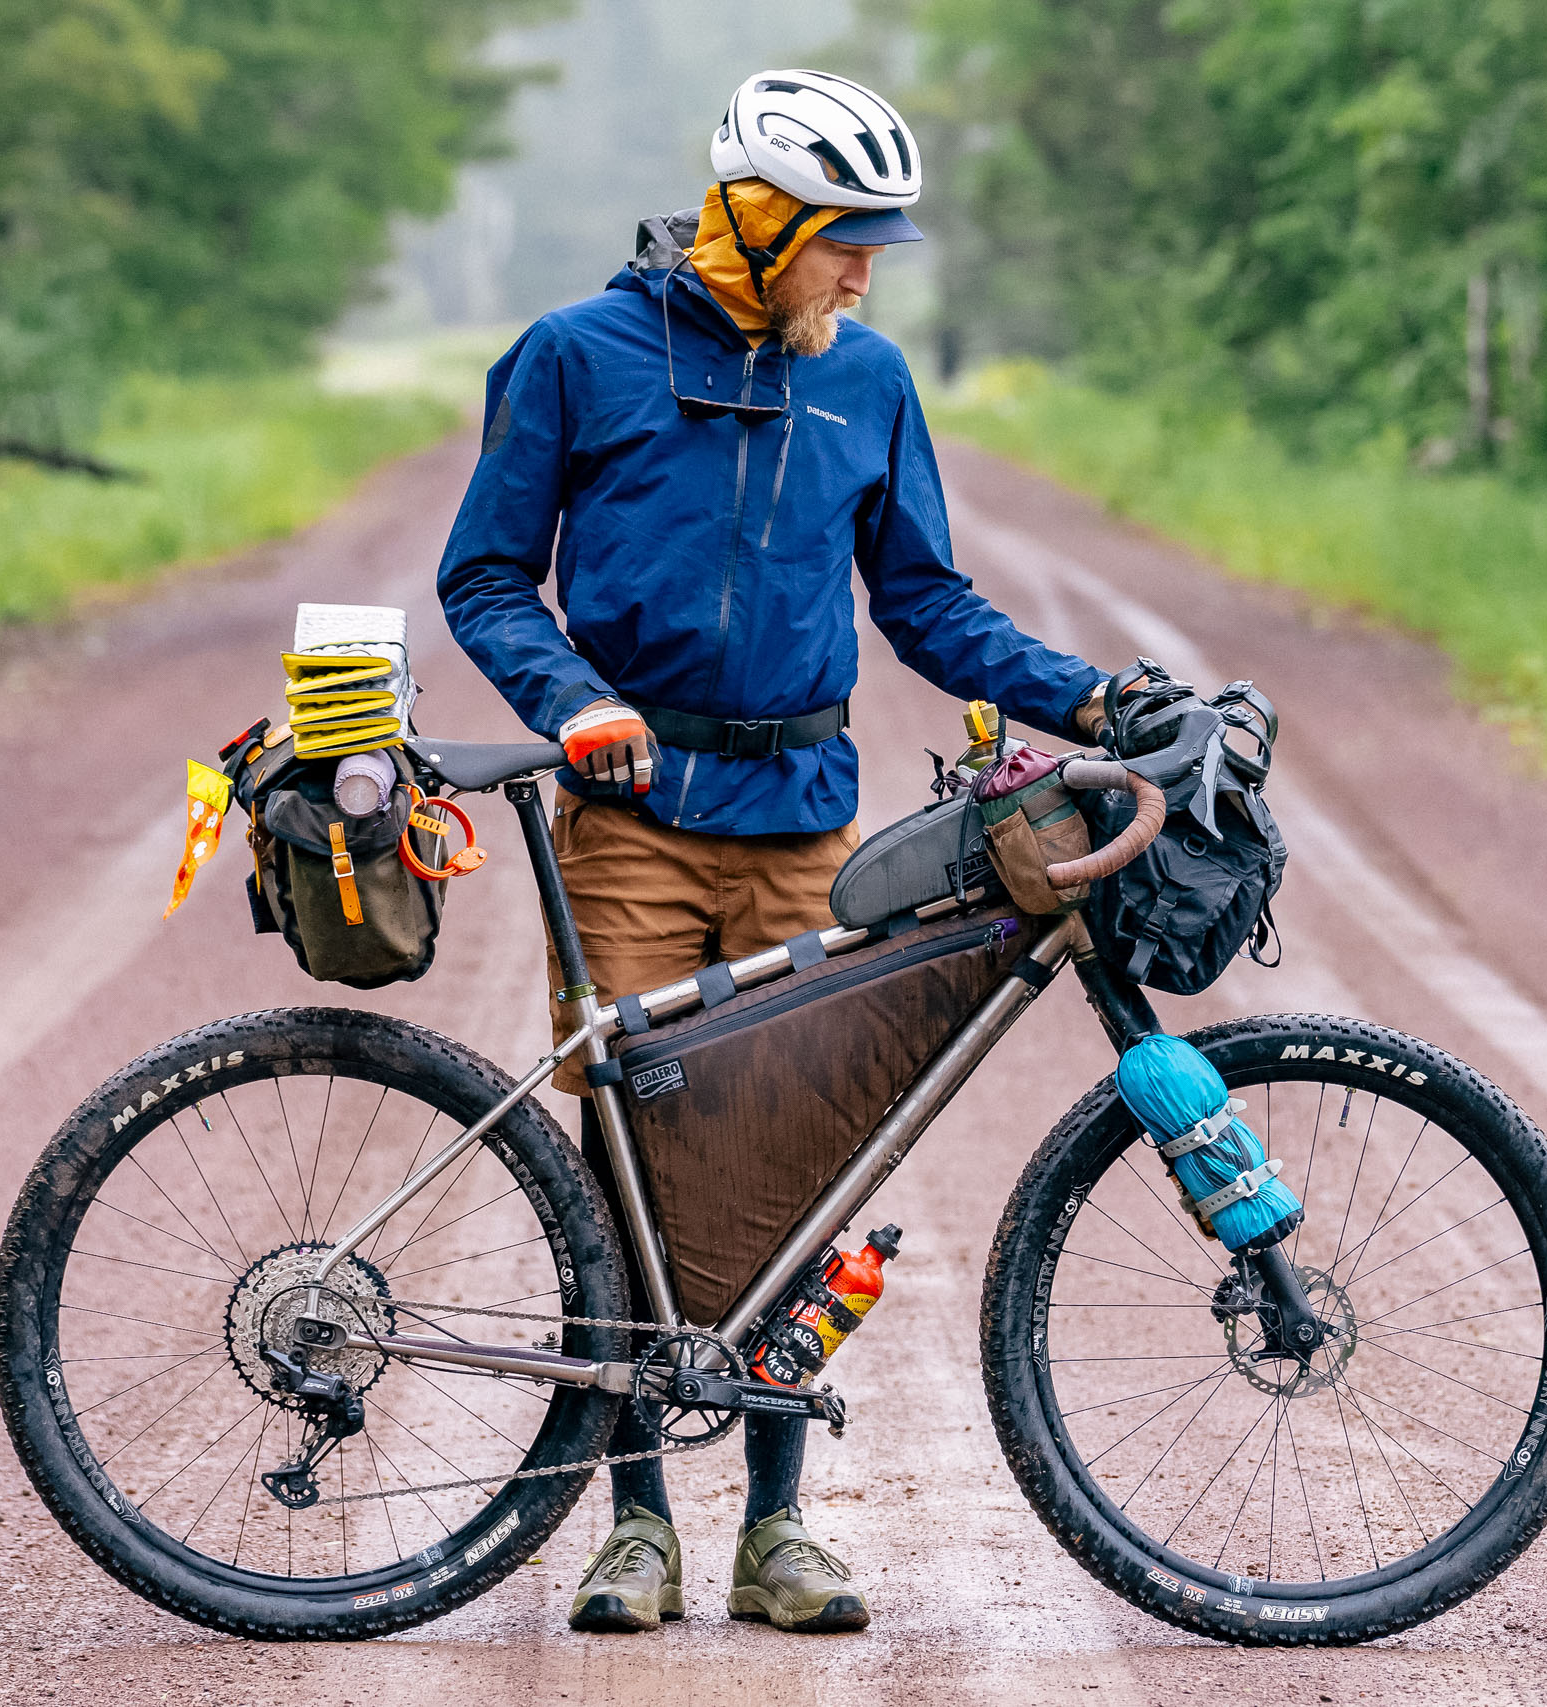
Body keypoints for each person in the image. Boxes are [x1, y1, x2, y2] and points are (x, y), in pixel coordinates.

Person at [437, 68, 1107, 1636]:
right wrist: (573, 699)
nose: (867, 271)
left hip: (810, 827)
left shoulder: (865, 378)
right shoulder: (575, 360)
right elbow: (483, 581)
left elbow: (929, 607)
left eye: (877, 244)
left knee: (806, 1173)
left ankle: (782, 1527)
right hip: (631, 831)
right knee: (632, 1174)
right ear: (754, 221)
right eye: (844, 240)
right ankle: (639, 1529)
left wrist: (1094, 695)